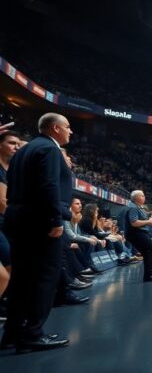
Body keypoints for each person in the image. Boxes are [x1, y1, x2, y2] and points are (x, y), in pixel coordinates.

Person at [2, 113, 73, 352]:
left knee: (20, 279)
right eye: (67, 127)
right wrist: (55, 218)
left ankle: (11, 333)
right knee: (44, 278)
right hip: (39, 220)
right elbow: (49, 184)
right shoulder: (50, 150)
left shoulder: (23, 150)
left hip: (16, 216)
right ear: (55, 128)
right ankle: (33, 333)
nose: (70, 132)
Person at [0, 131, 21, 318]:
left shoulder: (11, 170)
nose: (16, 147)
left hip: (7, 226)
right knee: (7, 270)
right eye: (11, 143)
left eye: (18, 144)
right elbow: (3, 204)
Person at [123, 190, 152, 282]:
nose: (144, 197)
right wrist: (150, 221)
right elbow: (134, 223)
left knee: (147, 252)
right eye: (142, 196)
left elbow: (142, 220)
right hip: (135, 232)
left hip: (137, 233)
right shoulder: (133, 208)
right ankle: (150, 275)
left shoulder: (137, 207)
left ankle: (148, 276)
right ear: (136, 198)